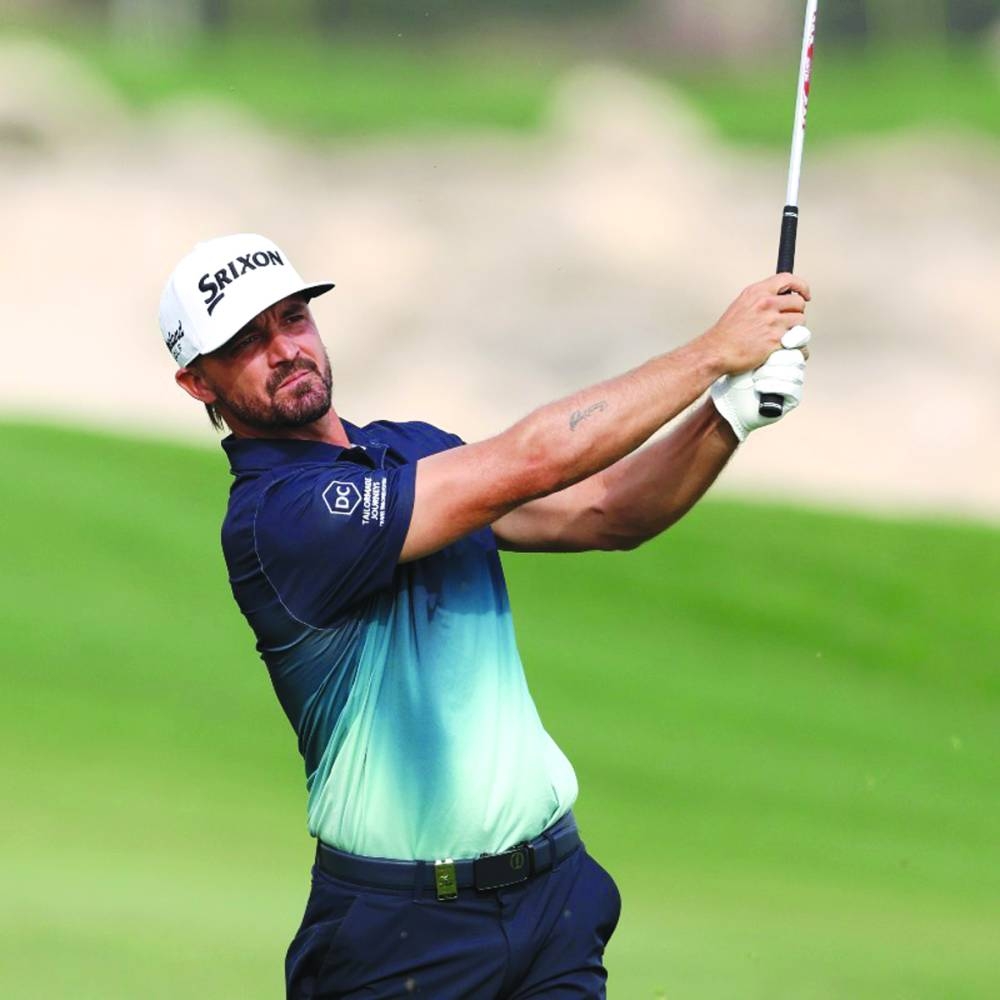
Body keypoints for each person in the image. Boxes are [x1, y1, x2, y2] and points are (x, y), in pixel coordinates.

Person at [160, 232, 811, 999]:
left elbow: (607, 511)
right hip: (402, 937)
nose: (285, 351)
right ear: (198, 383)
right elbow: (534, 458)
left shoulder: (414, 451)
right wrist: (711, 353)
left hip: (553, 900)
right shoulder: (277, 519)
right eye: (246, 342)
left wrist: (726, 415)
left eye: (293, 318)